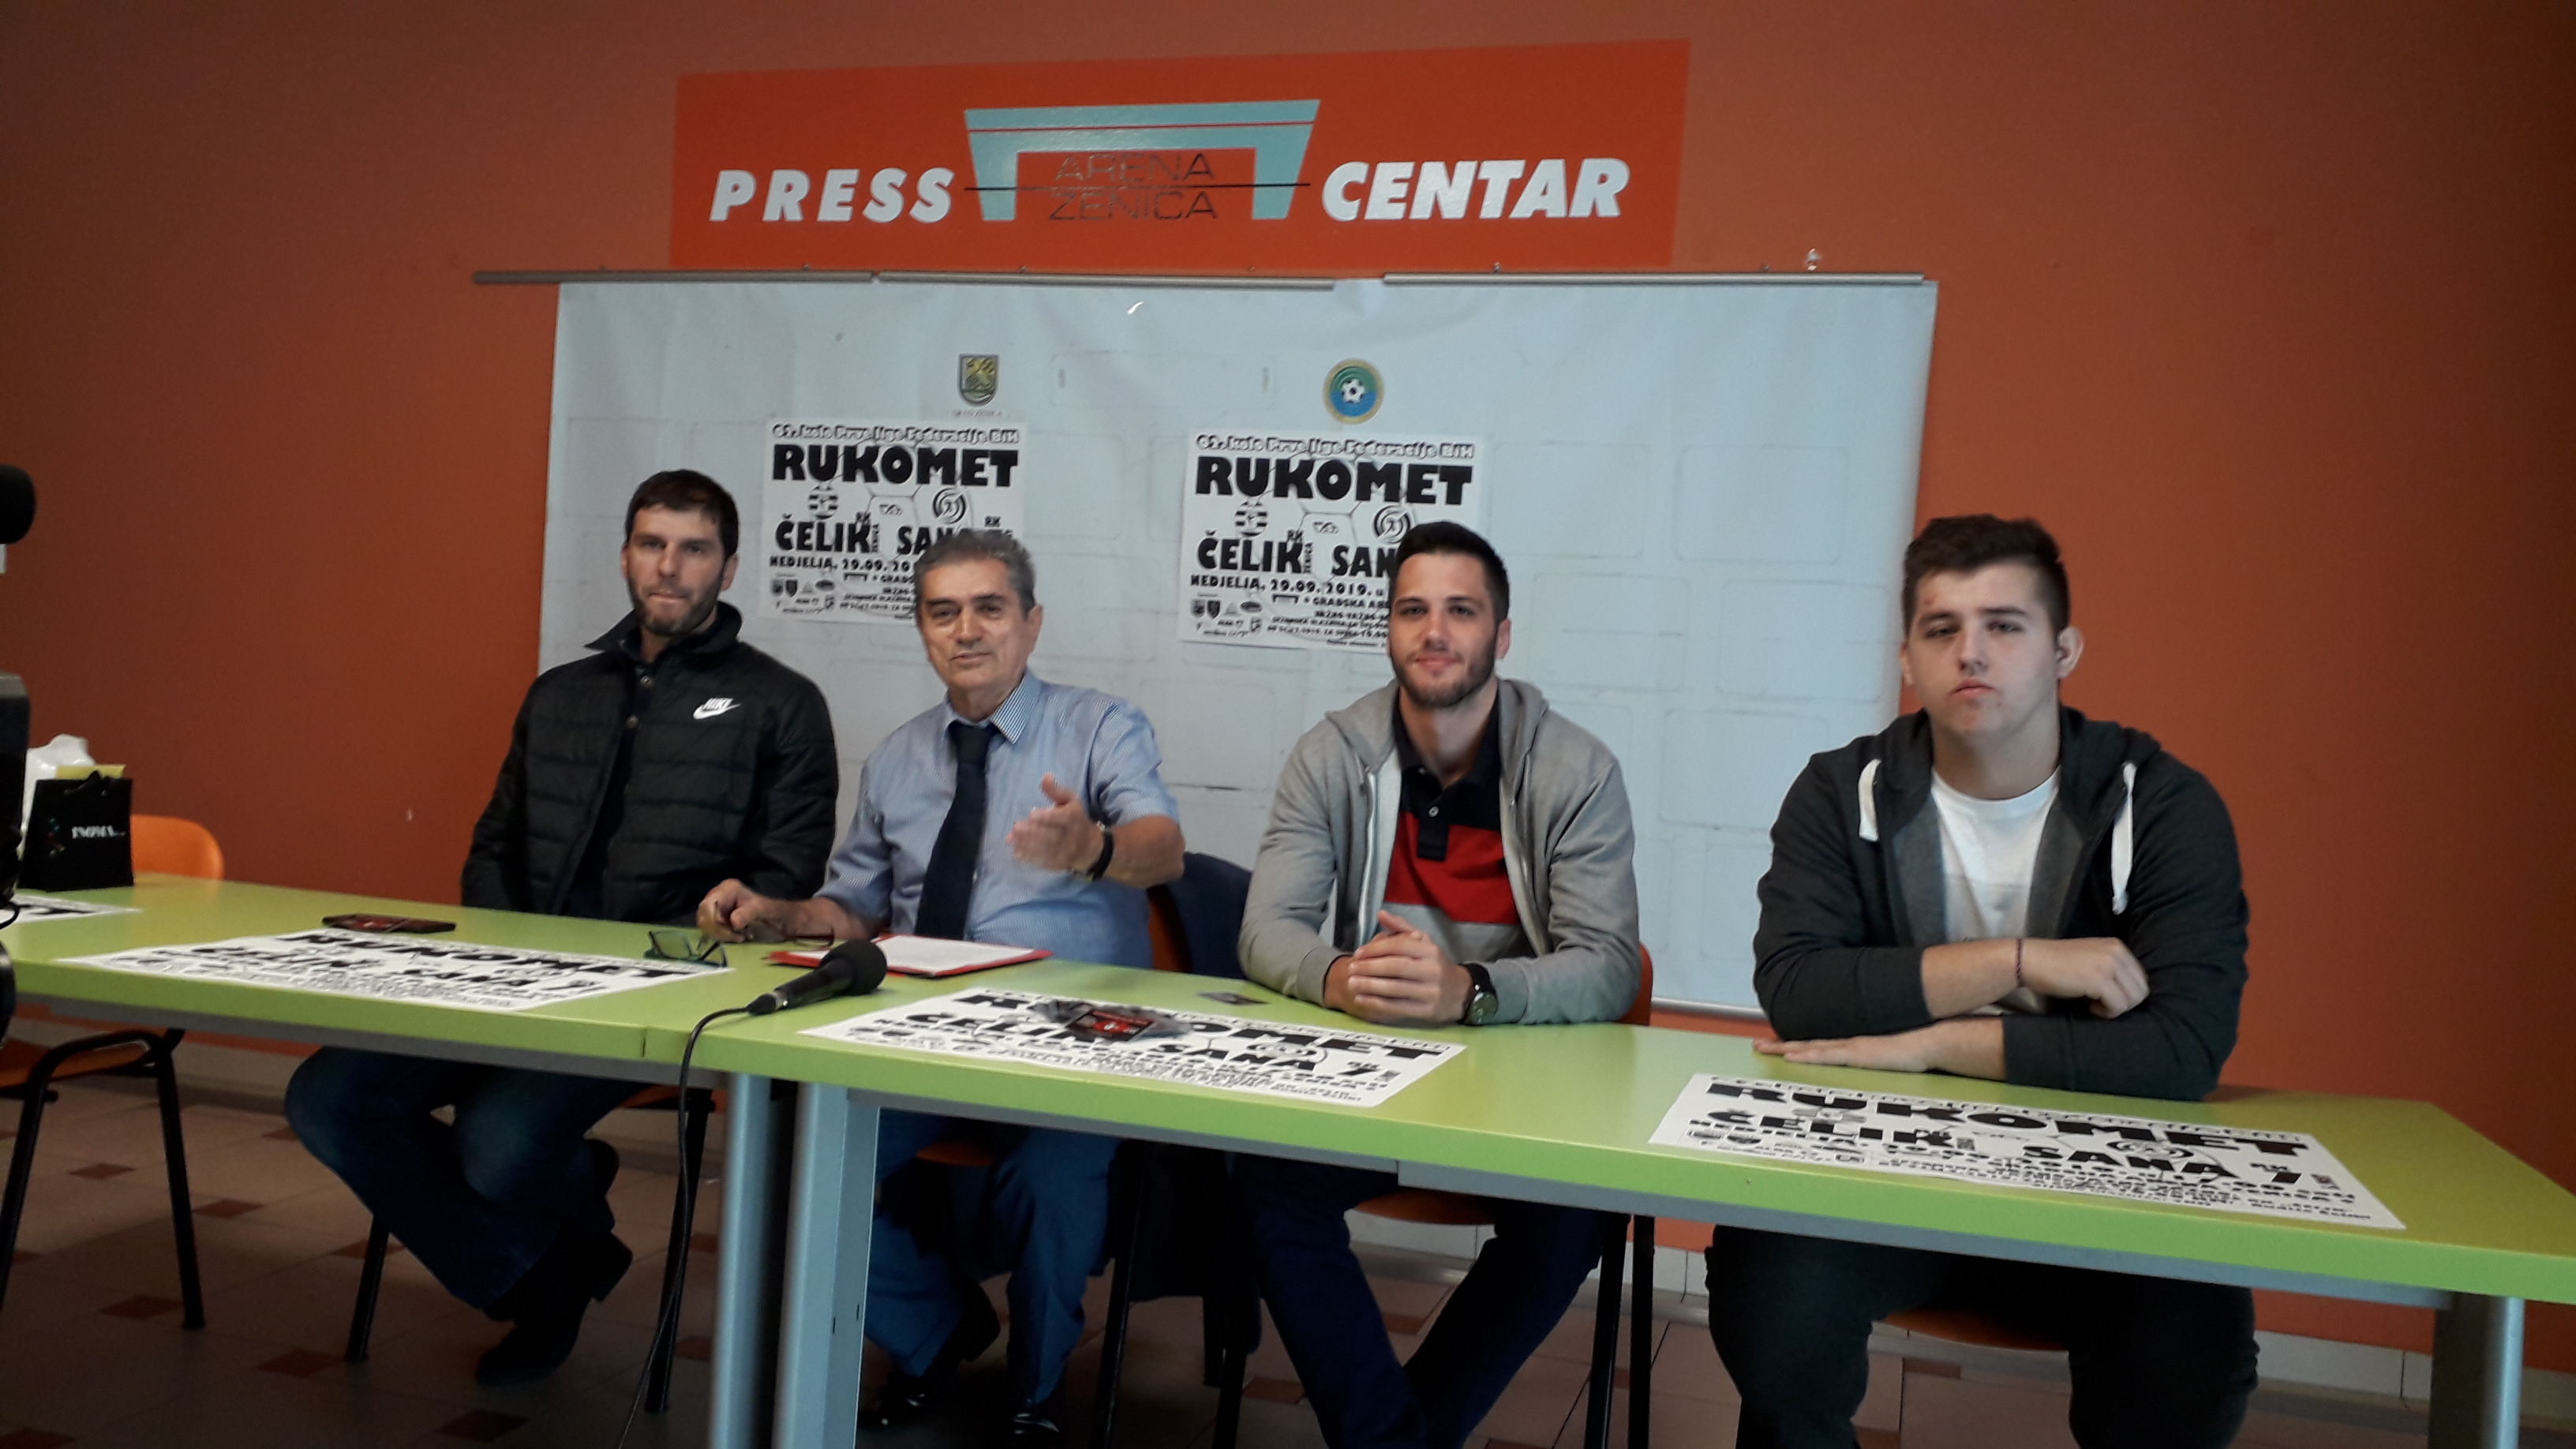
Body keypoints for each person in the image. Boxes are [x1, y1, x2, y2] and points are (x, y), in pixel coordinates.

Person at [1709, 514, 2257, 1448]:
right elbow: (1799, 992)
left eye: (2005, 625)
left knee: (2190, 1364)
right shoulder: (1840, 792)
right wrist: (2017, 961)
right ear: (1907, 658)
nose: (1972, 652)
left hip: (2101, 1181)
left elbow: (2181, 1050)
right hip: (1877, 1173)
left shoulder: (2163, 803)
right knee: (1773, 1313)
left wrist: (1933, 1046)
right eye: (1942, 628)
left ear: (2063, 650)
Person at [284, 470, 839, 1384]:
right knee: (327, 1099)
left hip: (657, 996)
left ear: (729, 568)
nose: (670, 567)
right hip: (513, 978)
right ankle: (550, 1266)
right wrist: (507, 956)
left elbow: (786, 878)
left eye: (694, 549)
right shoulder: (560, 693)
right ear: (625, 556)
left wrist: (721, 922)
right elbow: (494, 843)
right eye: (652, 544)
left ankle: (547, 1238)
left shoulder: (783, 704)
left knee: (500, 1146)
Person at [698, 529, 1184, 1447]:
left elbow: (1164, 848)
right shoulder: (898, 758)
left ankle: (1037, 1397)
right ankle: (940, 1329)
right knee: (797, 1164)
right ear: (922, 630)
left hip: (1069, 1035)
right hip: (924, 1031)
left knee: (1052, 1186)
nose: (967, 630)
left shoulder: (1100, 728)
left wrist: (1094, 848)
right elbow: (853, 908)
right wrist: (778, 912)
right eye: (943, 612)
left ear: (1032, 623)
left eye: (989, 609)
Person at [1233, 522, 1642, 1449]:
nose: (1435, 631)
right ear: (1388, 628)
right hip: (1368, 1068)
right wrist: (1338, 978)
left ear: (1502, 634)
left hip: (1522, 1082)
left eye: (1461, 610)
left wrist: (1470, 990)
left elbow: (1611, 963)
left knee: (1573, 1217)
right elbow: (1266, 929)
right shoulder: (1332, 754)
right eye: (1413, 609)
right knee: (1266, 1183)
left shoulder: (1576, 770)